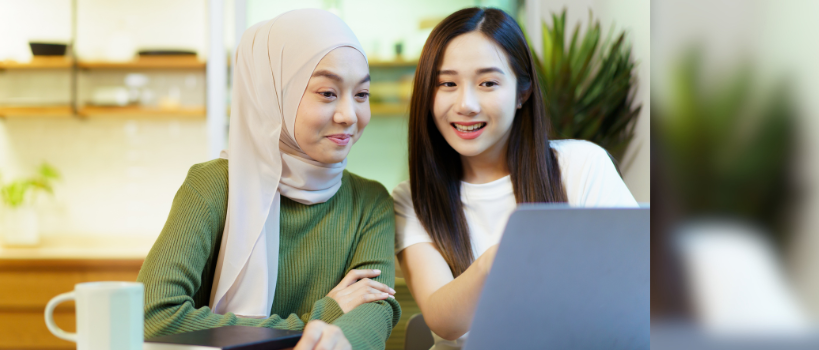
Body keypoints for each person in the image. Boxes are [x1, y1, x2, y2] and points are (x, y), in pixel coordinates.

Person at [136, 9, 400, 350]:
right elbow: (154, 316)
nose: (349, 115)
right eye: (327, 93)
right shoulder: (214, 186)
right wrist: (316, 321)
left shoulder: (369, 201)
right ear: (276, 95)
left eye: (361, 94)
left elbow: (374, 311)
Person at [392, 7, 638, 350]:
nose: (466, 104)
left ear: (523, 93)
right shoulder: (412, 199)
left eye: (488, 83)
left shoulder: (581, 164)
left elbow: (637, 284)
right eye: (447, 83)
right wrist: (500, 260)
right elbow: (442, 321)